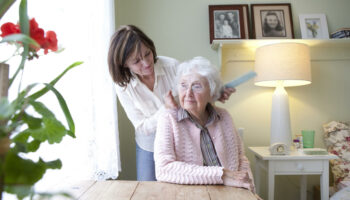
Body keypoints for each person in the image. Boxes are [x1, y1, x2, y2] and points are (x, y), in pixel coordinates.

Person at [107, 25, 235, 181]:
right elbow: (141, 127)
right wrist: (165, 109)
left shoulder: (172, 66)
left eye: (147, 54)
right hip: (149, 144)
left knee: (182, 184)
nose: (146, 63)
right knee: (149, 192)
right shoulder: (123, 86)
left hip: (179, 138)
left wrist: (214, 95)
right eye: (136, 61)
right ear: (124, 64)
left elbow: (192, 96)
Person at [154, 57, 256, 194]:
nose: (188, 93)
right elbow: (163, 169)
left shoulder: (224, 117)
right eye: (183, 85)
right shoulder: (168, 119)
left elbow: (241, 159)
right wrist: (222, 175)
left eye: (197, 86)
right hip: (189, 195)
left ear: (212, 92)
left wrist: (249, 190)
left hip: (230, 193)